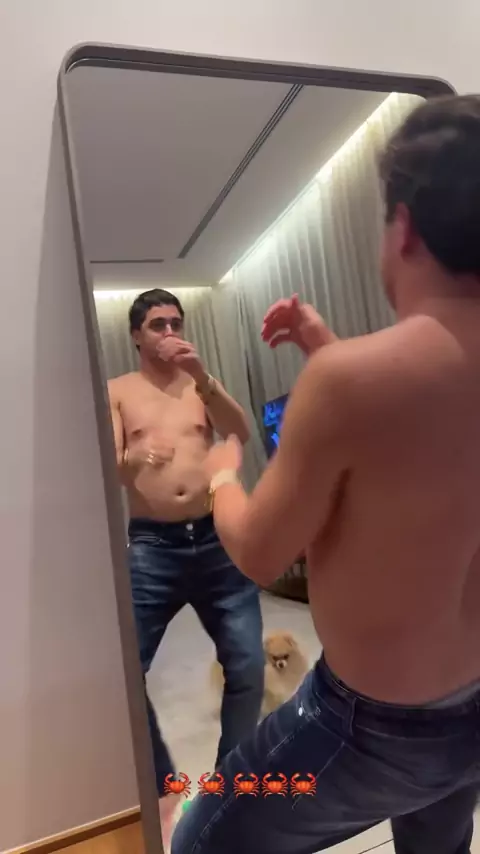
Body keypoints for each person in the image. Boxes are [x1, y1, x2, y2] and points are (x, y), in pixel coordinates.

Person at [172, 94, 480, 854]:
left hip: (371, 729)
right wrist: (328, 350)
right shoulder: (363, 378)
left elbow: (261, 552)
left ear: (403, 228)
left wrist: (222, 475)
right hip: (470, 710)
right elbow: (436, 439)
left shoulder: (349, 382)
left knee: (201, 837)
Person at [107, 288, 264, 849]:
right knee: (125, 670)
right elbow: (107, 463)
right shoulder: (119, 391)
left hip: (218, 539)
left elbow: (240, 430)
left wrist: (202, 376)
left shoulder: (201, 384)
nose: (169, 332)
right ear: (136, 334)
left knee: (247, 666)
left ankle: (229, 783)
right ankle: (162, 785)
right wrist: (132, 457)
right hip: (153, 546)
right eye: (157, 324)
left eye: (176, 322)